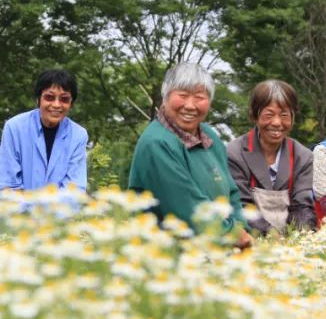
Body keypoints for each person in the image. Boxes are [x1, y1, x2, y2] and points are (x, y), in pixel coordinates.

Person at [128, 62, 252, 248]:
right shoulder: (157, 143)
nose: (190, 105)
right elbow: (188, 208)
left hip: (219, 249)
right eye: (183, 96)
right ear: (166, 96)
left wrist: (241, 229)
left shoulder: (209, 136)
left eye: (199, 97)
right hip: (172, 256)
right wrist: (234, 234)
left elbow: (232, 192)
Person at [226, 79, 315, 234]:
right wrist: (272, 237)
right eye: (269, 114)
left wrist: (300, 239)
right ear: (255, 115)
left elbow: (302, 207)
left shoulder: (303, 156)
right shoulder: (234, 153)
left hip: (289, 242)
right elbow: (242, 206)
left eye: (284, 115)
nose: (276, 122)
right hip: (249, 238)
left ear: (292, 118)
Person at [0, 69, 88, 192]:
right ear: (38, 99)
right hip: (18, 209)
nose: (56, 105)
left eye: (64, 99)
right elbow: (8, 184)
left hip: (62, 210)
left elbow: (74, 189)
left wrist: (50, 210)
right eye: (49, 97)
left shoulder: (78, 135)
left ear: (71, 103)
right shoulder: (14, 128)